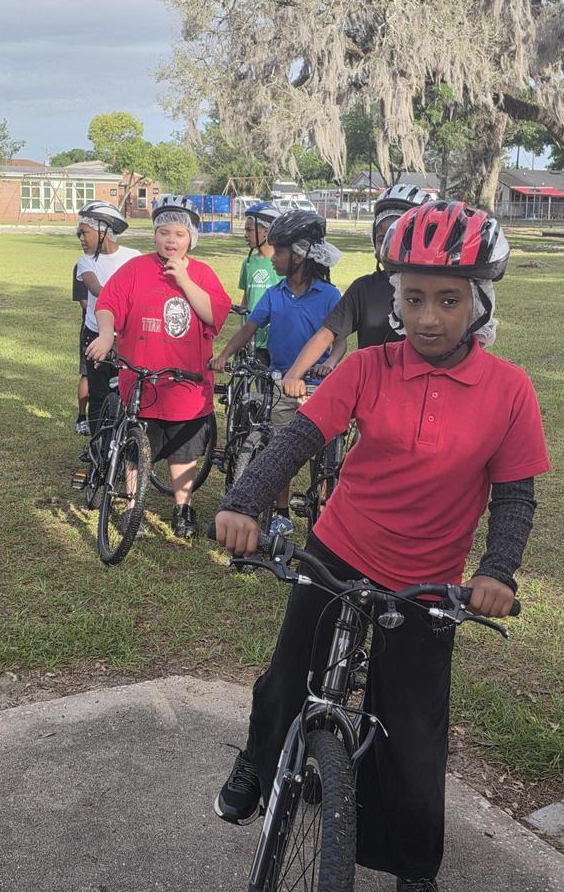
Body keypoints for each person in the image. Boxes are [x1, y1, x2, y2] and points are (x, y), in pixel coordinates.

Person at [212, 201, 550, 892]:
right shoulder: (369, 369)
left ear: (480, 303)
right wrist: (244, 500)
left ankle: (413, 868)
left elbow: (514, 497)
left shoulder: (510, 392)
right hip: (339, 547)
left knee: (414, 733)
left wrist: (498, 571)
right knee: (286, 677)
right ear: (393, 299)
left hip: (429, 582)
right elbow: (300, 439)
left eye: (449, 300)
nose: (429, 317)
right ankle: (257, 758)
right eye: (413, 297)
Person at [86, 195, 231, 538]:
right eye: (164, 232)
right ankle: (134, 504)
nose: (171, 240)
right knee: (137, 449)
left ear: (190, 239)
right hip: (141, 382)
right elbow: (108, 305)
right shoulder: (135, 270)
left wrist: (184, 280)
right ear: (154, 235)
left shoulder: (203, 274)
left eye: (179, 234)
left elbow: (215, 315)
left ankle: (183, 508)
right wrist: (107, 334)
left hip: (186, 385)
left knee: (184, 452)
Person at [210, 209, 342, 536]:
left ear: (299, 256)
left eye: (279, 252)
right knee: (280, 451)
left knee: (321, 458)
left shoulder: (329, 295)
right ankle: (281, 513)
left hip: (318, 388)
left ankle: (320, 507)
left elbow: (339, 340)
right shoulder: (274, 293)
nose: (272, 259)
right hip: (282, 384)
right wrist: (225, 353)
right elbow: (249, 329)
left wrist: (332, 362)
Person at [283, 184, 433, 397]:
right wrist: (293, 374)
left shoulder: (435, 292)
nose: (390, 245)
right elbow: (326, 334)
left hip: (420, 396)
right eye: (382, 238)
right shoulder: (364, 289)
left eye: (400, 236)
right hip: (373, 398)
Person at [75, 201, 141, 433]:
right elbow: (95, 288)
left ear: (103, 230)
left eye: (84, 232)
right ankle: (96, 447)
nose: (80, 238)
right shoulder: (85, 261)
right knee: (98, 392)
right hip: (96, 333)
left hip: (127, 336)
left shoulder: (134, 258)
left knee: (129, 391)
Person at [237, 202, 281, 363]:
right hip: (252, 337)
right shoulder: (248, 263)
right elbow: (246, 299)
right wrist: (242, 334)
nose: (246, 235)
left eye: (250, 230)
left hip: (274, 338)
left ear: (267, 231)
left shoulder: (281, 263)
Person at [72, 264, 90, 435]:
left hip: (119, 329)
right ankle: (82, 417)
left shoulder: (123, 260)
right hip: (92, 328)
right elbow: (83, 302)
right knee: (87, 373)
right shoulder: (83, 265)